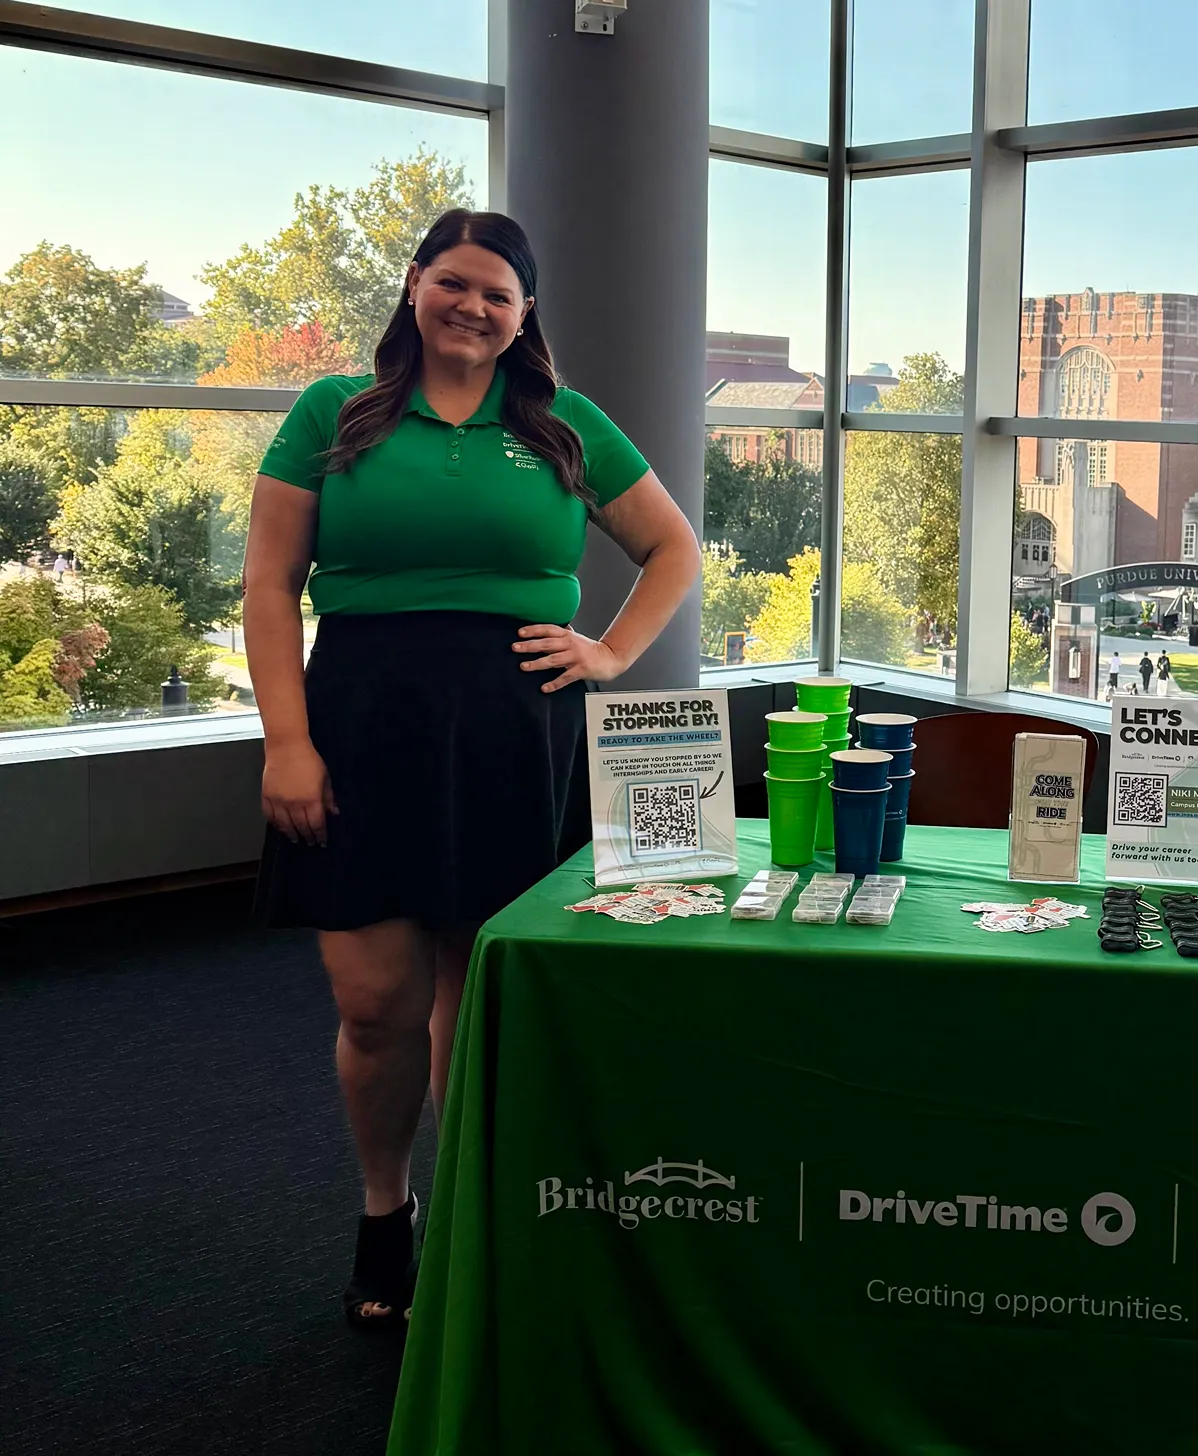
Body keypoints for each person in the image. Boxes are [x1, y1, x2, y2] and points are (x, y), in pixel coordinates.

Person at [242, 209, 700, 1329]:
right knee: (375, 1004)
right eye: (454, 282)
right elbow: (268, 585)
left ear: (524, 313)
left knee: (477, 988)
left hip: (513, 727)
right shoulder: (335, 412)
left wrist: (609, 652)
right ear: (414, 285)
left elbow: (673, 547)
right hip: (359, 723)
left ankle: (470, 1217)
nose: (473, 307)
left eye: (498, 293)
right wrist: (287, 743)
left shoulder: (563, 424)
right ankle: (384, 1210)